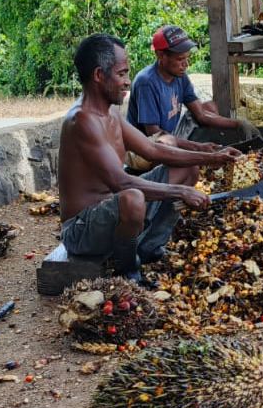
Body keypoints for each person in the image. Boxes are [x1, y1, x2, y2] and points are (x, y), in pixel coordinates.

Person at [59, 34, 242, 278]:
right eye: (122, 74)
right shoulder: (82, 120)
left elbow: (152, 148)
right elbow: (121, 183)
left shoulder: (109, 113)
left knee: (187, 170)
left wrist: (211, 157)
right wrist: (181, 192)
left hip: (115, 212)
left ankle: (149, 248)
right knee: (132, 198)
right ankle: (128, 271)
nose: (127, 82)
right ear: (99, 76)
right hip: (81, 231)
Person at [127, 24, 258, 146]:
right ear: (161, 55)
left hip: (172, 134)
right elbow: (154, 134)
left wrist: (239, 124)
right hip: (148, 146)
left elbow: (201, 114)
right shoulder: (146, 83)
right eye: (180, 59)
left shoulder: (179, 76)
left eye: (187, 58)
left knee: (209, 107)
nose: (186, 64)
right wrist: (197, 149)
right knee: (183, 154)